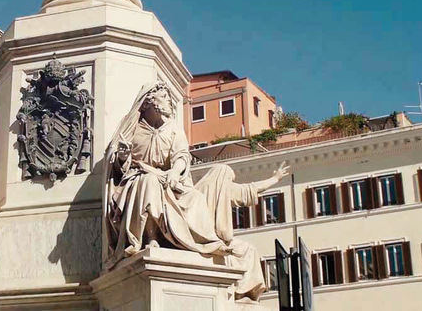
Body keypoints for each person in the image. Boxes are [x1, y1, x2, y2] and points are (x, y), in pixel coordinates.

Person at [104, 81, 289, 301]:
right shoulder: (133, 129)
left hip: (171, 183)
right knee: (149, 182)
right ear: (150, 102)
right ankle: (150, 237)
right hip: (138, 181)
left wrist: (174, 172)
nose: (170, 102)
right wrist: (123, 157)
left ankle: (205, 242)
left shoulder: (173, 129)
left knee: (193, 197)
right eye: (164, 97)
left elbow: (182, 157)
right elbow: (117, 165)